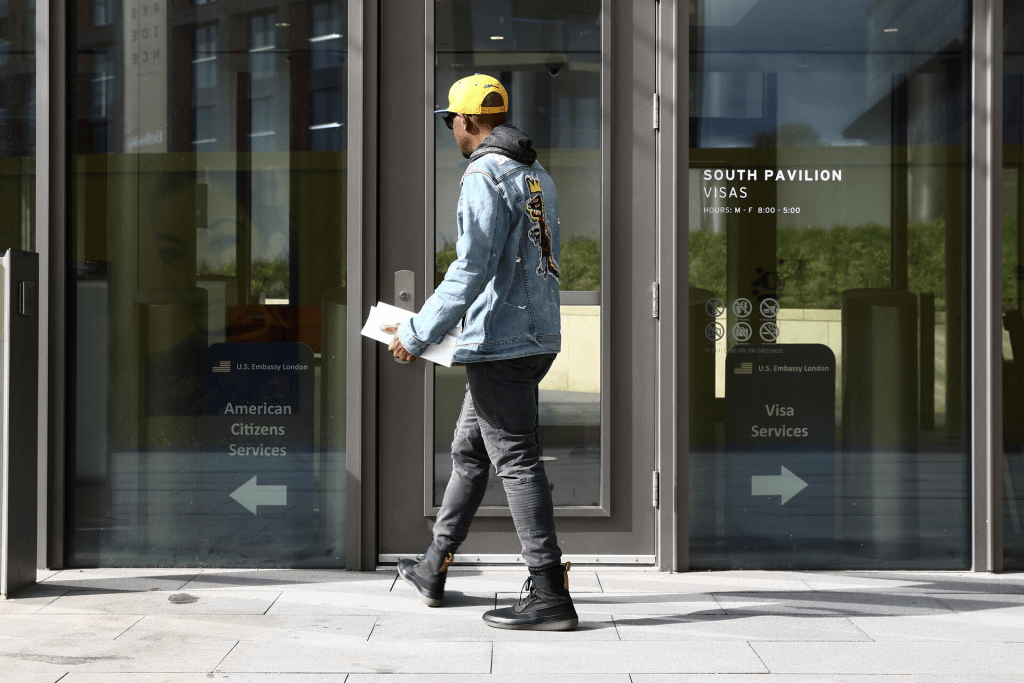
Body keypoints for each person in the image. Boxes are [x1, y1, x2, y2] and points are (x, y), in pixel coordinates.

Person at [383, 73, 577, 631]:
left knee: (515, 460)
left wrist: (418, 332)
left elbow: (473, 265)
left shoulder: (484, 174)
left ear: (467, 121)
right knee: (469, 451)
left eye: (451, 121)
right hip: (536, 335)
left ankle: (548, 592)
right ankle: (434, 564)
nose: (451, 130)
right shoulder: (536, 173)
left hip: (502, 342)